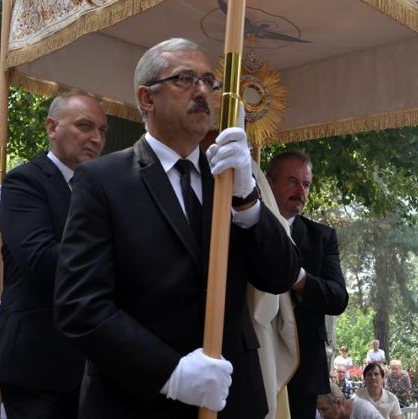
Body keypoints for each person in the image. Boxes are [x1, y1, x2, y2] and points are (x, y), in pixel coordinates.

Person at [53, 38, 301, 418]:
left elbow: (280, 275)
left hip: (231, 397)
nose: (202, 91)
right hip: (139, 399)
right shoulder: (102, 180)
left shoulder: (229, 178)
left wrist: (247, 200)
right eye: (185, 79)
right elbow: (80, 305)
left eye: (209, 82)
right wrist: (171, 373)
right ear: (146, 97)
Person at [0, 92, 107, 418]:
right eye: (85, 126)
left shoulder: (102, 186)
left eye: (102, 130)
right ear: (52, 127)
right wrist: (113, 252)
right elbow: (41, 260)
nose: (96, 139)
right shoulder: (24, 182)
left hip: (91, 358)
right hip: (36, 360)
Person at [265, 150, 349, 419]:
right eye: (292, 181)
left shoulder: (322, 237)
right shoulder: (245, 227)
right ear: (269, 182)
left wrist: (299, 279)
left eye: (306, 184)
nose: (301, 191)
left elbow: (338, 298)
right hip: (255, 356)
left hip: (302, 368)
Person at [316, 382, 382, 419]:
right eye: (318, 409)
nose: (321, 415)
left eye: (324, 409)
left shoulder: (362, 409)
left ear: (338, 403)